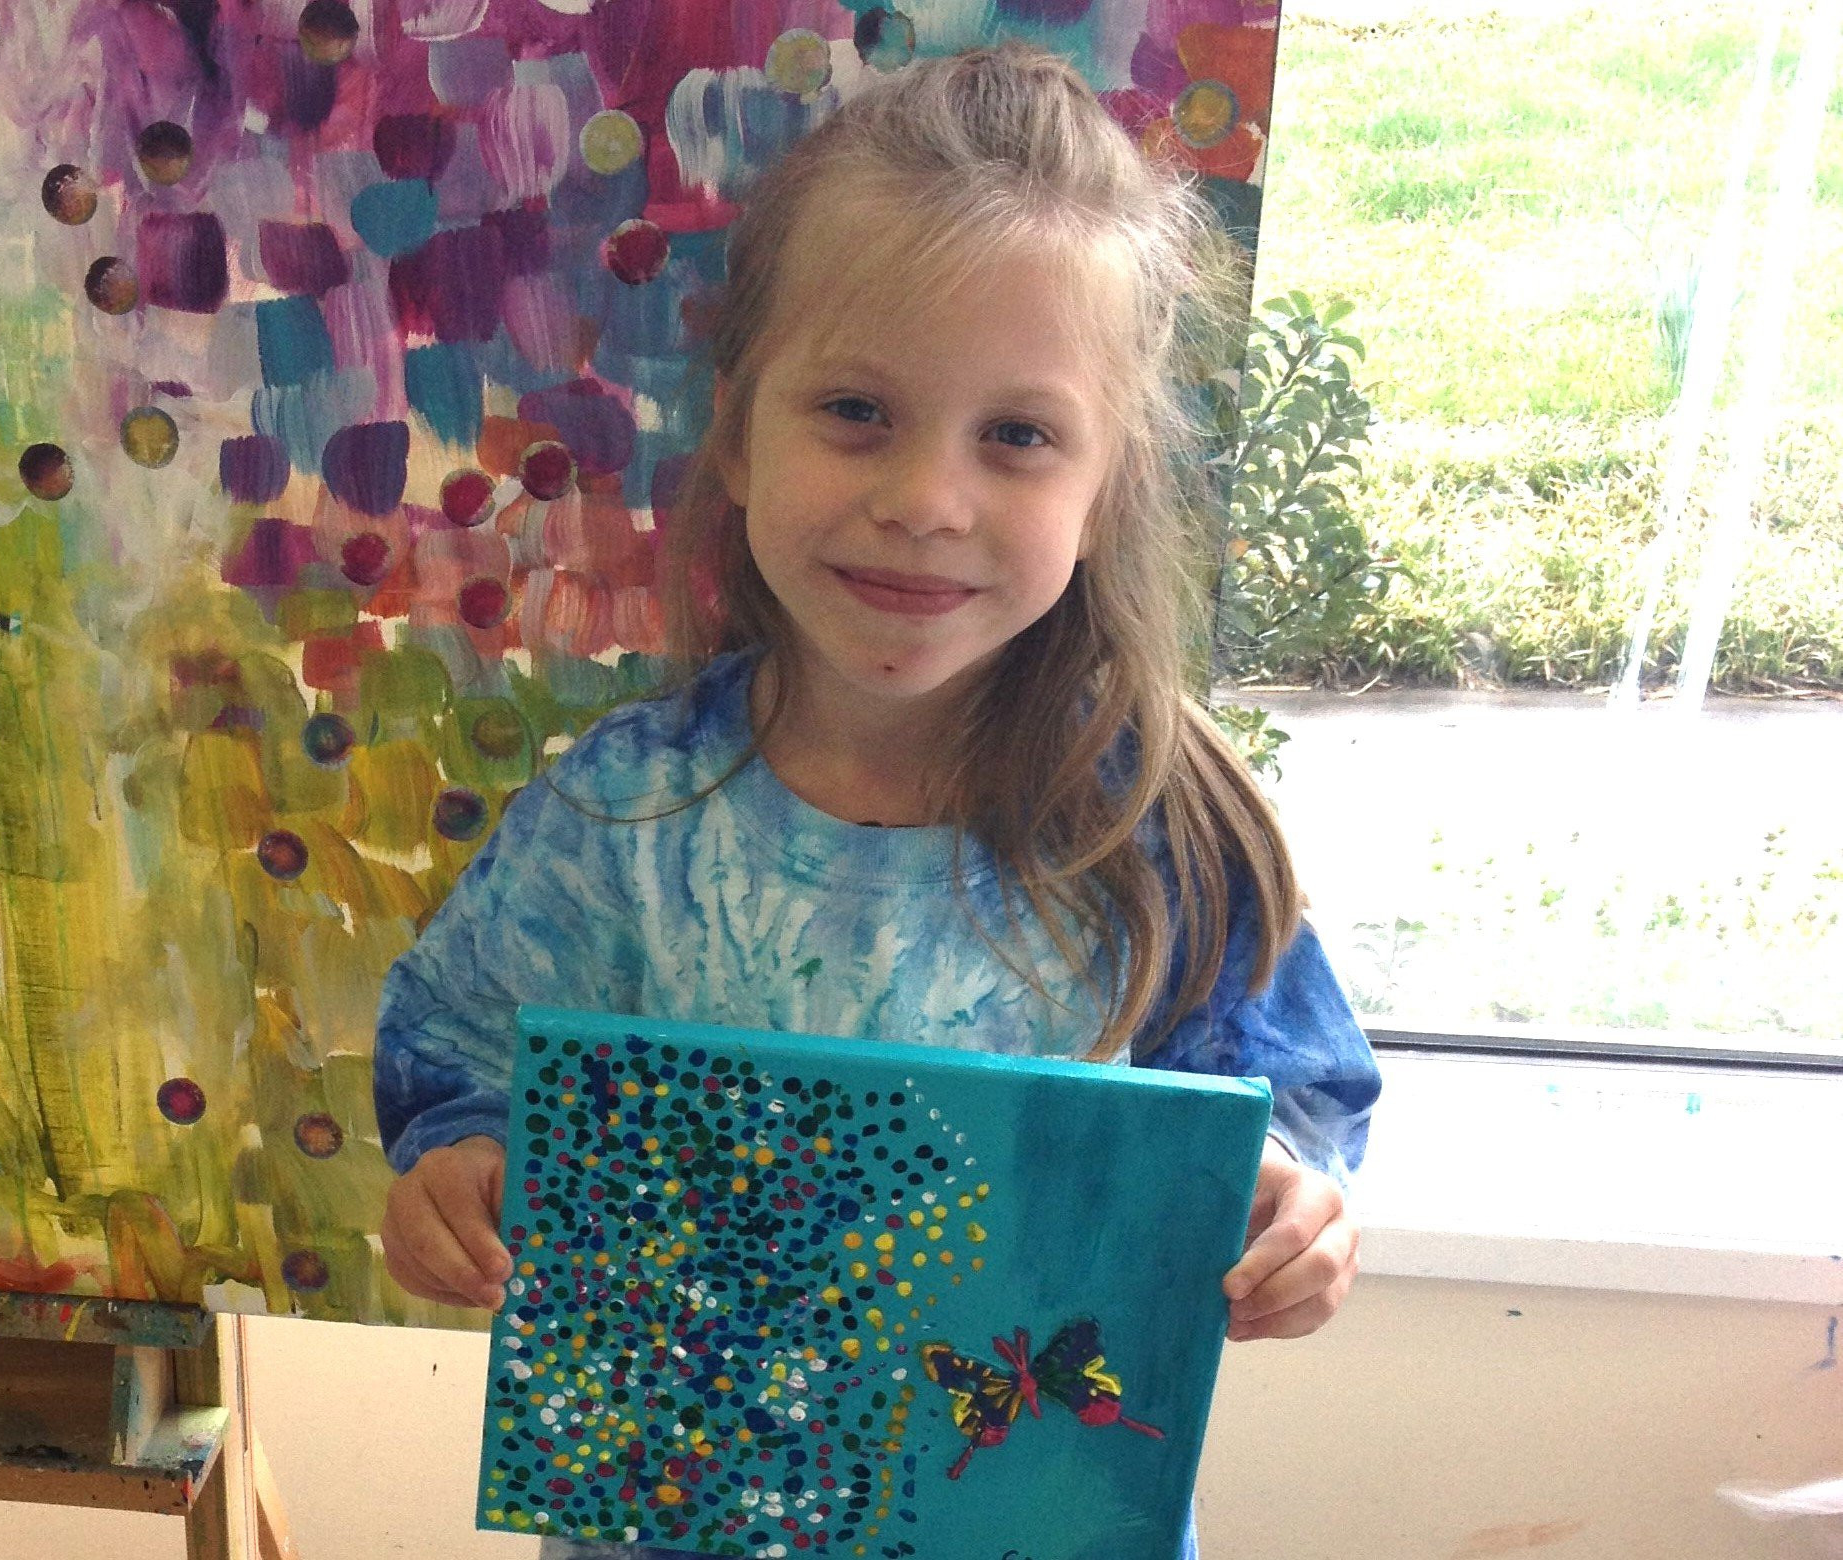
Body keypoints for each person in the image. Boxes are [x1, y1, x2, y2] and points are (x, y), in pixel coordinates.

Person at [371, 40, 1380, 1560]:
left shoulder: (1162, 841)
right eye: (856, 409)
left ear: (1104, 485)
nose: (927, 498)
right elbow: (458, 1058)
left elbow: (1285, 1112)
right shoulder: (626, 823)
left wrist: (1295, 1218)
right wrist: (454, 1171)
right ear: (739, 422)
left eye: (1018, 436)